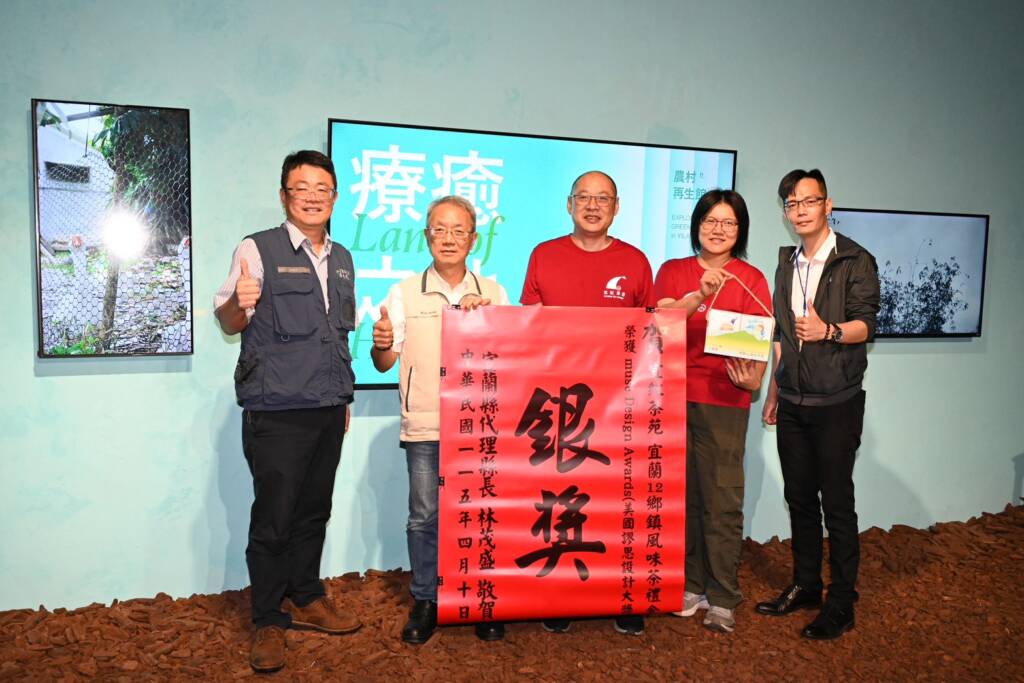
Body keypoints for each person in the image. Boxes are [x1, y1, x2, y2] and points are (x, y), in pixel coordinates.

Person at [214, 150, 361, 673]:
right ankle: (268, 618)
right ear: (284, 196)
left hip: (328, 406)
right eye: (302, 187)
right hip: (276, 409)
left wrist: (342, 400)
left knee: (314, 510)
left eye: (323, 188)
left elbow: (336, 336)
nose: (313, 197)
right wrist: (239, 301)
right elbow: (229, 321)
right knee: (274, 517)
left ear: (334, 197)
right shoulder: (256, 248)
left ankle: (307, 594)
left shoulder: (342, 258)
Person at [370, 195, 510, 644]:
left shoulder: (494, 292)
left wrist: (486, 317)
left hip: (481, 427)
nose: (448, 238)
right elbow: (383, 362)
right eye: (439, 229)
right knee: (424, 517)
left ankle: (483, 598)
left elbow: (510, 358)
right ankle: (426, 599)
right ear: (426, 235)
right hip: (426, 425)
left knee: (482, 514)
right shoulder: (405, 291)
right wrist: (381, 342)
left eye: (458, 230)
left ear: (473, 239)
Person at [520, 170, 654, 636]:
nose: (592, 206)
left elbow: (651, 333)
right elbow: (528, 328)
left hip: (618, 405)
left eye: (603, 199)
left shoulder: (635, 261)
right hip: (560, 407)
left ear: (616, 207)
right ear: (569, 204)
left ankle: (622, 595)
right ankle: (562, 596)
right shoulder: (544, 254)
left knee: (617, 501)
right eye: (584, 197)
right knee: (563, 503)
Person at [756, 168, 880, 640]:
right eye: (792, 203)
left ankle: (841, 602)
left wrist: (828, 330)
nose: (800, 210)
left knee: (838, 503)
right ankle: (807, 585)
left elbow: (866, 326)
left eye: (809, 201)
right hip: (792, 401)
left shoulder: (855, 260)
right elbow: (782, 335)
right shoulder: (787, 263)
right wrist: (774, 390)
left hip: (837, 403)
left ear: (828, 205)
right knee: (800, 499)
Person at [653, 189, 770, 634]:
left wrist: (755, 379)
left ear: (740, 230)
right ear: (697, 225)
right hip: (672, 397)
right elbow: (658, 323)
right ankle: (690, 584)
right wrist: (696, 295)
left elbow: (760, 339)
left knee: (721, 499)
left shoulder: (750, 278)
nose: (718, 229)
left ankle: (722, 596)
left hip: (724, 399)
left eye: (728, 223)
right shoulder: (673, 271)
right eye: (710, 221)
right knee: (681, 496)